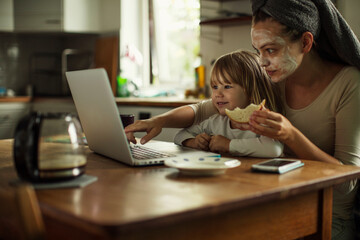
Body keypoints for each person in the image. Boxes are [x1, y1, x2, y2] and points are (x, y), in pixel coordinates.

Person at [125, 0, 360, 238]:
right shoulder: (275, 79)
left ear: (306, 42)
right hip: (275, 204)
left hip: (327, 217)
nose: (262, 62)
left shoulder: (348, 83)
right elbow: (204, 109)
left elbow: (348, 180)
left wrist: (291, 135)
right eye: (258, 51)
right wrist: (160, 121)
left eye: (271, 50)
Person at [174, 50, 283, 157]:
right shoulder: (215, 122)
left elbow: (273, 149)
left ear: (250, 91)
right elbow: (180, 135)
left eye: (227, 87)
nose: (218, 94)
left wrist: (228, 145)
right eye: (215, 87)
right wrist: (193, 142)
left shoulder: (261, 120)